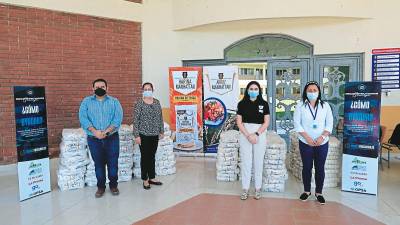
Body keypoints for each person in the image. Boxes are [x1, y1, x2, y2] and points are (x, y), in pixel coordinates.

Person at [79, 78, 123, 198]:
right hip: (94, 139)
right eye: (97, 87)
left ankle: (113, 185)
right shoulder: (86, 102)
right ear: (92, 88)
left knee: (113, 164)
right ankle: (101, 187)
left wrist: (106, 132)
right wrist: (95, 132)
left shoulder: (114, 102)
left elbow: (117, 119)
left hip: (112, 138)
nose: (100, 89)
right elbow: (83, 118)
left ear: (107, 88)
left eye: (102, 87)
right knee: (98, 164)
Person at [293, 81, 333, 205]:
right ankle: (306, 191)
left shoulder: (325, 106)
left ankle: (319, 192)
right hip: (305, 142)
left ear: (319, 92)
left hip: (322, 142)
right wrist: (307, 138)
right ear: (305, 92)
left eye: (314, 90)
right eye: (309, 90)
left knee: (320, 168)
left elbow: (329, 123)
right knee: (307, 167)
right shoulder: (300, 105)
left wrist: (322, 137)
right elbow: (297, 123)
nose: (312, 92)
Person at [236, 81, 270, 200]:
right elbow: (239, 122)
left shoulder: (264, 104)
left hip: (259, 133)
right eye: (251, 88)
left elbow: (266, 122)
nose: (253, 91)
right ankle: (245, 189)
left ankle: (258, 189)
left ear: (259, 91)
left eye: (256, 89)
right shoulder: (241, 103)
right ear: (247, 90)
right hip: (245, 133)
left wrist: (256, 134)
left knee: (258, 162)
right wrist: (248, 135)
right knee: (246, 162)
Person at [133, 82, 164, 190]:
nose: (147, 90)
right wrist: (136, 135)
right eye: (145, 89)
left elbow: (160, 117)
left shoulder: (157, 102)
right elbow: (135, 120)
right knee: (145, 157)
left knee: (152, 156)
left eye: (149, 88)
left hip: (154, 134)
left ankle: (152, 177)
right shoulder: (139, 103)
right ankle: (145, 179)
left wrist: (161, 131)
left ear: (153, 89)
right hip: (143, 135)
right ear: (142, 91)